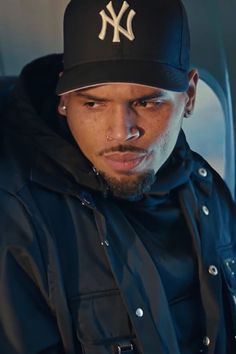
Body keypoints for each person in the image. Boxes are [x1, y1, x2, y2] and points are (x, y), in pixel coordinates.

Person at [0, 0, 235, 353]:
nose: (121, 133)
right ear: (63, 100)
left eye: (147, 103)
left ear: (189, 96)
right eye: (93, 104)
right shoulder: (18, 221)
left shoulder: (206, 189)